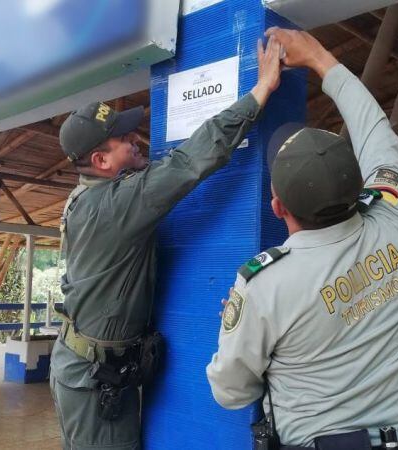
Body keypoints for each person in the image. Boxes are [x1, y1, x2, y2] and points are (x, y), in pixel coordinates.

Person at [50, 37, 284, 449]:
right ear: (101, 162)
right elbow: (191, 160)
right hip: (92, 379)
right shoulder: (117, 203)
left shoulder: (86, 198)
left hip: (87, 367)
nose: (136, 137)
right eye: (124, 139)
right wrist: (260, 90)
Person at [206, 28, 398, 450]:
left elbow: (230, 392)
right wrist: (320, 57)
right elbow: (379, 136)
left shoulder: (262, 285)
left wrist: (252, 331)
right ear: (356, 187)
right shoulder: (391, 221)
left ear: (278, 208)